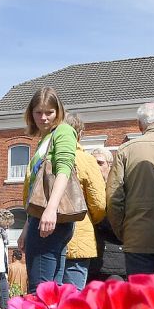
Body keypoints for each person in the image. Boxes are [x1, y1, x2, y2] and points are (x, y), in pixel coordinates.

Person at [18, 87, 77, 293]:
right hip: (40, 218)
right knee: (51, 291)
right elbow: (37, 188)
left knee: (39, 290)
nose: (43, 118)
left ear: (58, 111)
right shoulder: (44, 139)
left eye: (49, 112)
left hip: (51, 218)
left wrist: (51, 209)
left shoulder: (63, 131)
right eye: (38, 112)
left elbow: (64, 170)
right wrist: (26, 227)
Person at [106, 102, 154, 278]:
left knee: (140, 298)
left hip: (137, 236)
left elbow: (114, 197)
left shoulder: (126, 150)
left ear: (139, 124)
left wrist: (122, 231)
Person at [61, 114, 106, 290]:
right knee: (73, 299)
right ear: (79, 134)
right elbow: (99, 203)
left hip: (45, 235)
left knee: (48, 297)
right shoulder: (86, 160)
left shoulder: (43, 155)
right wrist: (91, 220)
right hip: (78, 234)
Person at [87, 147, 127, 282]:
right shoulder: (85, 191)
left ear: (110, 166)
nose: (96, 167)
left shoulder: (117, 191)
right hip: (89, 261)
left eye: (100, 163)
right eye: (92, 163)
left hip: (114, 261)